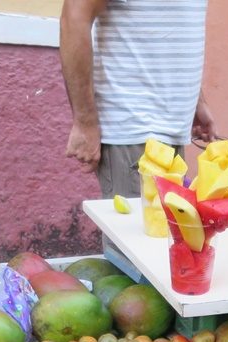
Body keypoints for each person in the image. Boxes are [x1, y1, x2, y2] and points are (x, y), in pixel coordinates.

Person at [60, 0, 217, 199]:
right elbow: (74, 18)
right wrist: (84, 122)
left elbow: (173, 22)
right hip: (133, 128)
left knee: (166, 229)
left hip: (170, 131)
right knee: (136, 229)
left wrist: (196, 100)